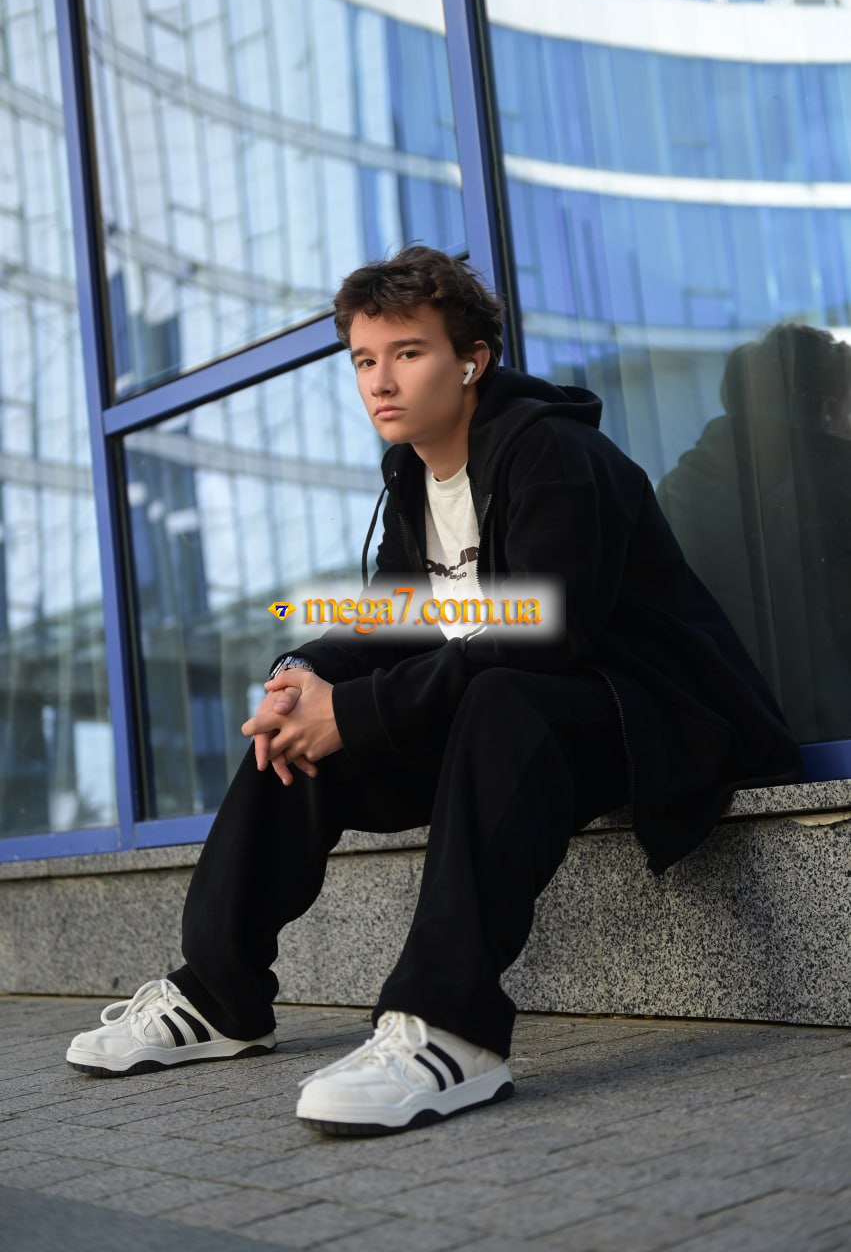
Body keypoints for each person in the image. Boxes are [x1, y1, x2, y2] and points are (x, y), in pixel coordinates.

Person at [66, 247, 800, 1136]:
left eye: (407, 353)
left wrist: (356, 711)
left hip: (647, 719)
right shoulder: (413, 480)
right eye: (364, 360)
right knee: (292, 733)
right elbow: (390, 624)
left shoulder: (555, 454)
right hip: (515, 732)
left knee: (500, 698)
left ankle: (448, 1029)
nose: (380, 381)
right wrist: (302, 677)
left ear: (470, 360)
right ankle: (218, 995)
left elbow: (549, 632)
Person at [656, 323, 851, 744]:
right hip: (825, 736)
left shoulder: (678, 488)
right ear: (827, 409)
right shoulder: (835, 483)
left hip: (719, 740)